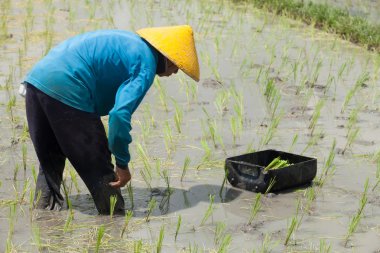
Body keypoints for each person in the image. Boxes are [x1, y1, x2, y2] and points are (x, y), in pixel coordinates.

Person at [23, 25, 200, 214]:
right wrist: (122, 164)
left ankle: (42, 218)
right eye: (178, 66)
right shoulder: (145, 62)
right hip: (69, 86)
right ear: (169, 58)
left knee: (50, 160)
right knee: (100, 169)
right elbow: (119, 115)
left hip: (36, 81)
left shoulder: (129, 44)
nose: (175, 72)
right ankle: (114, 222)